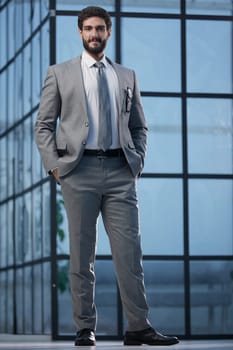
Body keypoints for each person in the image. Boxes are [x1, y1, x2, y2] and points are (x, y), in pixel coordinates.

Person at [35, 6, 179, 347]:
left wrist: (137, 160)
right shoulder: (60, 73)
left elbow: (139, 125)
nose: (94, 34)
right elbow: (43, 125)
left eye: (100, 28)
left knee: (130, 253)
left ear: (109, 32)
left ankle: (138, 327)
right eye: (88, 29)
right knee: (81, 254)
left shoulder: (126, 75)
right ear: (80, 32)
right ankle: (85, 328)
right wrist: (55, 167)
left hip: (120, 172)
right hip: (78, 171)